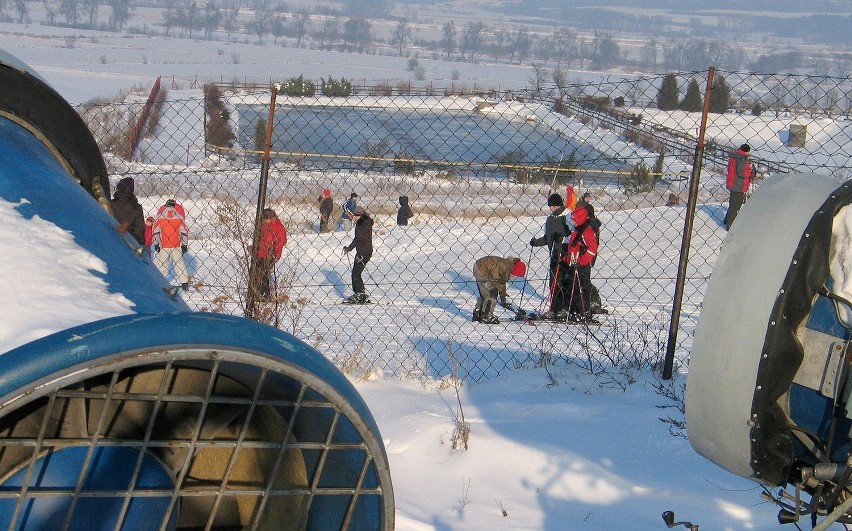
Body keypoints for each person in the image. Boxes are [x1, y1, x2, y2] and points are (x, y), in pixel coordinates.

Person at [551, 206, 599, 323]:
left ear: (581, 218)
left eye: (575, 218)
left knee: (581, 288)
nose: (573, 221)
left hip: (582, 264)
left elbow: (592, 249)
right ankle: (574, 311)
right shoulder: (578, 230)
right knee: (573, 287)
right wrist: (565, 257)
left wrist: (581, 262)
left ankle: (584, 312)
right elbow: (573, 247)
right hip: (575, 263)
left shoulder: (586, 231)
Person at [530, 192, 569, 314]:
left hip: (565, 254)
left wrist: (562, 238)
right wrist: (537, 242)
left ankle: (565, 308)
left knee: (564, 282)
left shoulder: (567, 216)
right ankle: (554, 308)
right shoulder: (550, 219)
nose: (551, 208)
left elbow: (572, 235)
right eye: (550, 206)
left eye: (553, 206)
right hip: (554, 254)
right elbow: (548, 237)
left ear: (558, 205)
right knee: (553, 282)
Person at [472, 256, 526, 324]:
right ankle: (486, 316)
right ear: (514, 270)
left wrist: (503, 300)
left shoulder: (508, 268)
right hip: (481, 270)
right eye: (515, 275)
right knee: (491, 296)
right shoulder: (503, 266)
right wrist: (499, 291)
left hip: (482, 268)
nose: (514, 277)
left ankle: (478, 313)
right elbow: (495, 281)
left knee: (485, 294)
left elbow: (501, 283)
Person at [153, 198, 190, 290]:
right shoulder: (179, 217)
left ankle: (159, 282)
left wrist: (156, 243)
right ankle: (184, 283)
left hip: (164, 243)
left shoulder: (160, 217)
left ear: (165, 205)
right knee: (179, 263)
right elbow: (184, 232)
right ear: (174, 206)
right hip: (176, 244)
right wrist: (184, 244)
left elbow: (156, 231)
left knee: (162, 264)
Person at [253, 207, 288, 300]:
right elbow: (261, 238)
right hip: (262, 252)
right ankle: (257, 292)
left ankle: (264, 294)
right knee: (257, 271)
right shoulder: (264, 225)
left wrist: (273, 250)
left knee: (263, 273)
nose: (264, 222)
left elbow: (282, 241)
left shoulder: (278, 227)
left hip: (272, 254)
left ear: (271, 218)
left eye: (266, 220)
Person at [342, 205, 374, 304]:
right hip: (367, 251)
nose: (354, 217)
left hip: (362, 253)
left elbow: (357, 240)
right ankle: (360, 293)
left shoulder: (361, 225)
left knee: (355, 274)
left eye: (355, 215)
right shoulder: (366, 222)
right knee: (357, 273)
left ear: (359, 215)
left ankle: (359, 294)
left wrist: (348, 248)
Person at [723, 143, 753, 230]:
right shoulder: (743, 159)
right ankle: (730, 224)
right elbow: (742, 173)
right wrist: (750, 172)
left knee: (732, 203)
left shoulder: (734, 156)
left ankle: (727, 220)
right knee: (736, 205)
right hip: (739, 185)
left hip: (732, 183)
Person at [111, 177, 145, 245]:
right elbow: (139, 228)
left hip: (111, 239)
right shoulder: (136, 207)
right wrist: (139, 243)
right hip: (130, 242)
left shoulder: (110, 204)